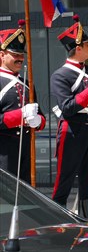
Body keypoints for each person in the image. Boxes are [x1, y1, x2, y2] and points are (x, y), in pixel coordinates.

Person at [50, 15, 88, 219]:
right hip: (72, 130)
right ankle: (57, 218)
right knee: (65, 177)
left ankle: (87, 220)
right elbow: (67, 107)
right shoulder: (60, 75)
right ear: (77, 48)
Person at [0, 19, 46, 182]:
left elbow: (41, 116)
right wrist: (19, 115)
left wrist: (38, 121)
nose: (20, 58)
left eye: (21, 55)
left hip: (26, 149)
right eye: (15, 54)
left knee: (26, 198)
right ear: (2, 54)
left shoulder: (27, 82)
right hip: (4, 150)